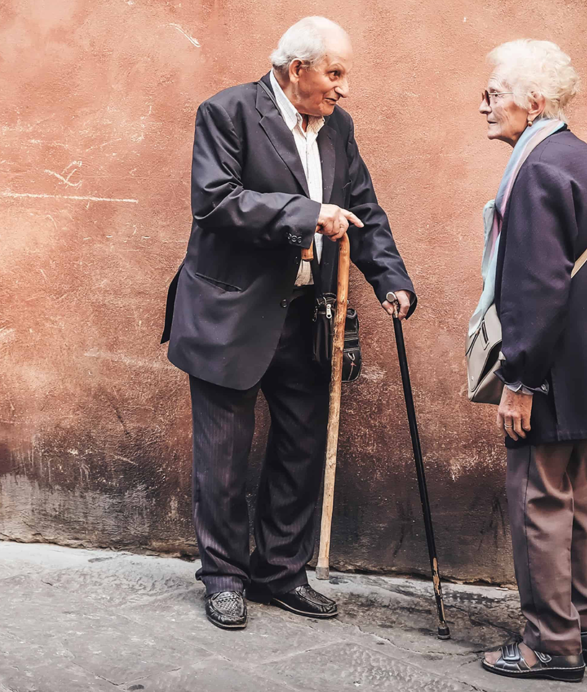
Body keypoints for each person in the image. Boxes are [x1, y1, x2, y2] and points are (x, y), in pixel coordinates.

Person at [160, 16, 416, 630]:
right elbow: (216, 201)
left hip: (307, 315)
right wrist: (306, 213)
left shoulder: (338, 127)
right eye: (335, 73)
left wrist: (391, 278)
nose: (344, 88)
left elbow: (362, 207)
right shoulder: (227, 112)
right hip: (230, 314)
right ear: (297, 69)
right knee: (223, 459)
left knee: (302, 449)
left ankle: (279, 571)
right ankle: (224, 577)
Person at [471, 39, 587, 683]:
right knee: (579, 503)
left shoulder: (537, 169)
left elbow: (538, 287)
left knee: (540, 504)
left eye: (494, 94)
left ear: (534, 102)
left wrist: (520, 380)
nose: (484, 105)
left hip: (550, 374)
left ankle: (550, 644)